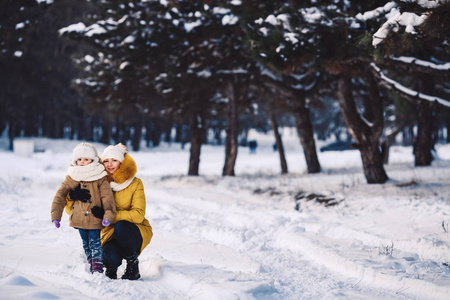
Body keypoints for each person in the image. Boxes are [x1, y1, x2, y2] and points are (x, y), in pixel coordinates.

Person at [51, 142, 116, 273]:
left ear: (93, 160)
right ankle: (90, 259)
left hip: (94, 218)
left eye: (86, 159)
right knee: (85, 242)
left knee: (95, 240)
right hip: (79, 218)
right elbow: (60, 195)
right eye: (79, 159)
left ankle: (97, 262)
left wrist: (108, 215)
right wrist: (56, 216)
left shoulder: (99, 176)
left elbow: (107, 198)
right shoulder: (72, 176)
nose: (82, 162)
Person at [100, 143, 153, 280]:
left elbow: (138, 214)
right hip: (109, 232)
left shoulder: (136, 183)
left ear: (122, 162)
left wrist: (110, 216)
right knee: (108, 259)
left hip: (133, 230)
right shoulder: (99, 184)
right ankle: (111, 268)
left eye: (114, 160)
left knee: (121, 225)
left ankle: (132, 265)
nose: (110, 164)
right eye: (106, 160)